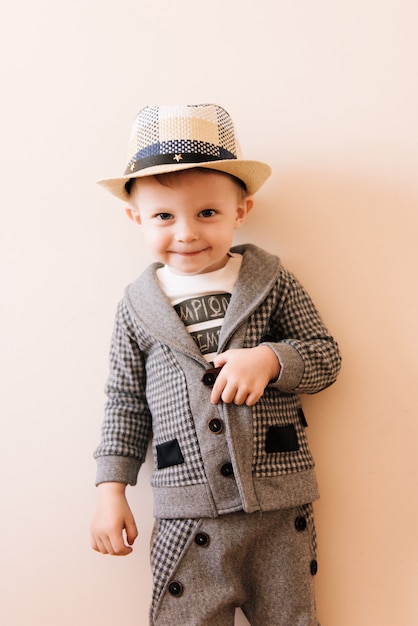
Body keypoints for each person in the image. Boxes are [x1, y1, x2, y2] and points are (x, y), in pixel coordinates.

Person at [90, 103, 342, 626]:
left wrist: (272, 360)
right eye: (164, 216)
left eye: (207, 213)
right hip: (188, 510)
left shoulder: (270, 282)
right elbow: (123, 403)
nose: (186, 233)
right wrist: (111, 490)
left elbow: (325, 356)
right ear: (135, 217)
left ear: (240, 211)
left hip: (278, 505)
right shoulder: (137, 307)